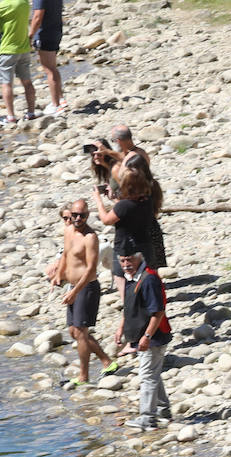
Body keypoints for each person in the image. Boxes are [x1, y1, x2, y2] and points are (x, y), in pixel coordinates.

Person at [46, 199, 114, 386]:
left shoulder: (90, 238)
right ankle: (107, 361)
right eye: (74, 215)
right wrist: (58, 275)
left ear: (87, 216)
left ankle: (84, 376)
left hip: (86, 288)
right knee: (73, 332)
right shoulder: (68, 231)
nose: (77, 218)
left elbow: (91, 269)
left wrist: (75, 291)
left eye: (82, 215)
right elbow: (66, 255)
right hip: (73, 286)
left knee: (81, 332)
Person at [112, 243, 172, 430]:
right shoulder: (132, 278)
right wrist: (121, 327)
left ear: (139, 258)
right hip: (143, 336)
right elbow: (131, 306)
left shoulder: (148, 279)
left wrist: (146, 336)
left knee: (147, 376)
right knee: (153, 373)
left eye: (129, 259)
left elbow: (158, 312)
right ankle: (163, 410)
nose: (126, 264)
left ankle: (147, 418)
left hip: (153, 337)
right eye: (122, 261)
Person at [94, 159, 164, 300]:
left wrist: (98, 200)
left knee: (121, 276)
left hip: (126, 248)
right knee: (145, 277)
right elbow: (127, 210)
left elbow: (106, 220)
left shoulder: (124, 205)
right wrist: (114, 200)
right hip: (144, 245)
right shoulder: (146, 200)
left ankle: (131, 307)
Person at [28, 0, 64, 114]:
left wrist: (30, 35)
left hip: (44, 34)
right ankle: (60, 99)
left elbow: (38, 16)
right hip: (56, 31)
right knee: (53, 67)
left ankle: (55, 105)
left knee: (49, 70)